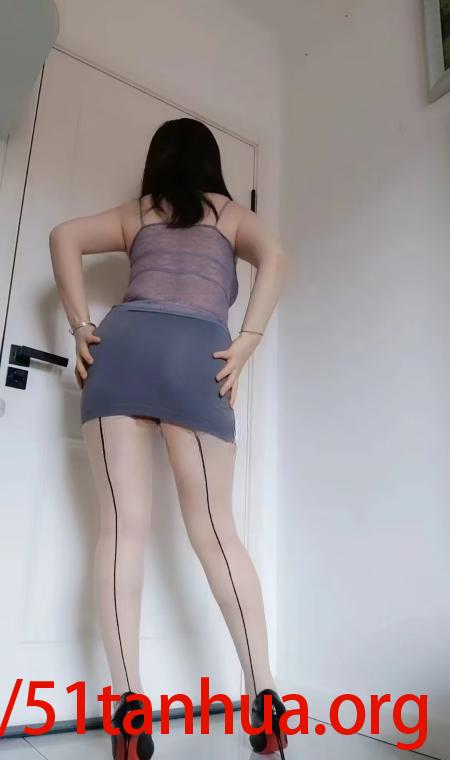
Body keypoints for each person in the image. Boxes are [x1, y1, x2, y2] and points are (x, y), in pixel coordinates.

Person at [49, 117, 287, 760]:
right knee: (217, 533)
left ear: (157, 162)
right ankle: (264, 694)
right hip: (196, 357)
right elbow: (276, 256)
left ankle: (128, 710)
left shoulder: (138, 213)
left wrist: (81, 327)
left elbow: (63, 235)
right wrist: (247, 342)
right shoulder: (231, 215)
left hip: (123, 351)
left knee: (120, 534)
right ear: (212, 164)